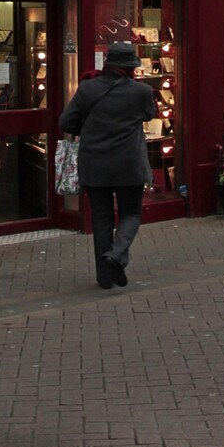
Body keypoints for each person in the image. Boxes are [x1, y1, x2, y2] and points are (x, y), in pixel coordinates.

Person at [58, 39, 158, 289]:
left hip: (94, 162)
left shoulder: (87, 88)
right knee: (131, 213)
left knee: (101, 218)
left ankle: (105, 276)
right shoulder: (142, 91)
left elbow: (66, 122)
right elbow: (150, 114)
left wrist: (89, 130)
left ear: (107, 63)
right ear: (131, 67)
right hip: (129, 163)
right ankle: (116, 255)